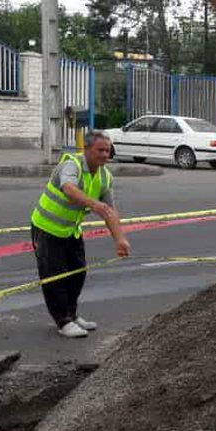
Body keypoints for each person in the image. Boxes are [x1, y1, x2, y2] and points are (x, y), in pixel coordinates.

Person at [30, 131, 131, 338]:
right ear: (86, 149)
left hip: (70, 230)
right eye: (100, 150)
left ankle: (72, 314)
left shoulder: (104, 176)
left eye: (107, 150)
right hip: (46, 228)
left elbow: (109, 211)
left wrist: (120, 239)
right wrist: (94, 204)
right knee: (54, 277)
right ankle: (63, 321)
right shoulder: (72, 164)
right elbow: (68, 188)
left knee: (78, 273)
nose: (105, 155)